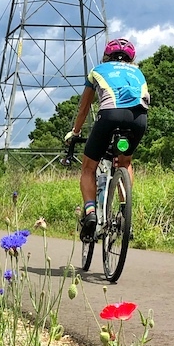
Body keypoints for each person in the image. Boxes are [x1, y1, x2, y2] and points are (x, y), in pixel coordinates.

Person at [64, 37, 150, 239]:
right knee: (125, 161)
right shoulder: (138, 72)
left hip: (110, 115)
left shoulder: (98, 71)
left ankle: (90, 213)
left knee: (88, 168)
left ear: (107, 56)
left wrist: (75, 132)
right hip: (139, 119)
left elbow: (84, 107)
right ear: (131, 58)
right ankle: (124, 213)